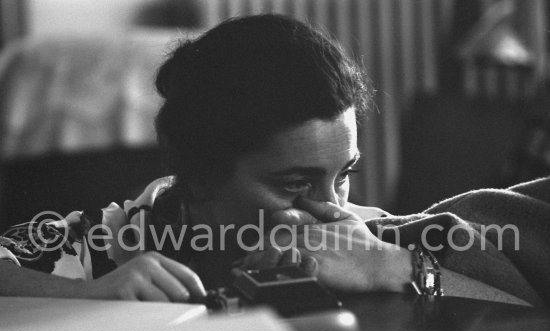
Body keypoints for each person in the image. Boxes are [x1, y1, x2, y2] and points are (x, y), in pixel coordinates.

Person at [0, 14, 547, 307]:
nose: (331, 211)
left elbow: (527, 322)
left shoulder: (366, 239)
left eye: (345, 176)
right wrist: (89, 294)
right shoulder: (113, 243)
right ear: (201, 175)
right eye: (294, 185)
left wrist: (397, 267)